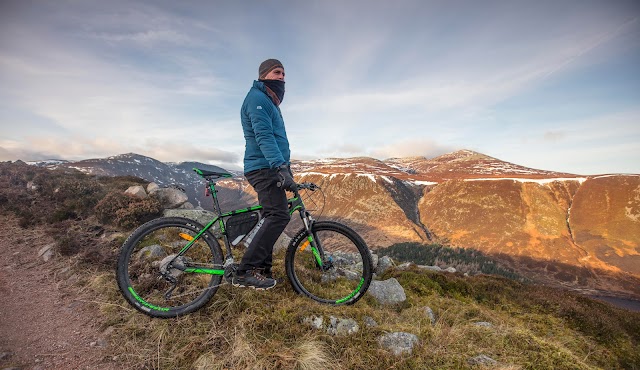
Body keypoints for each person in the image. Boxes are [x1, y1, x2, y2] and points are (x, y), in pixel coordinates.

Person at [232, 58, 296, 290]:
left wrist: (284, 168)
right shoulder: (258, 99)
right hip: (264, 167)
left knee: (273, 215)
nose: (282, 77)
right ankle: (246, 271)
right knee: (278, 216)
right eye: (277, 72)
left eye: (283, 74)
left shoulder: (269, 101)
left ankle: (261, 268)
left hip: (270, 166)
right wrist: (279, 167)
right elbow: (264, 136)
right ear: (264, 75)